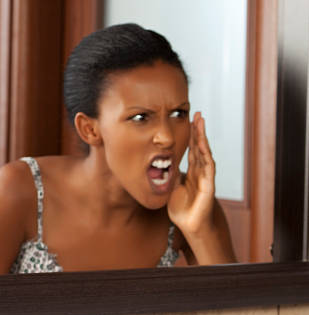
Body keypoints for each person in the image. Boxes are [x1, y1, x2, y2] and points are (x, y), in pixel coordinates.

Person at [0, 23, 236, 273]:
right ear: (89, 129)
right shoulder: (17, 192)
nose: (167, 137)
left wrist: (200, 230)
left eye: (179, 113)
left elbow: (240, 312)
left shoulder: (192, 203)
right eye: (141, 118)